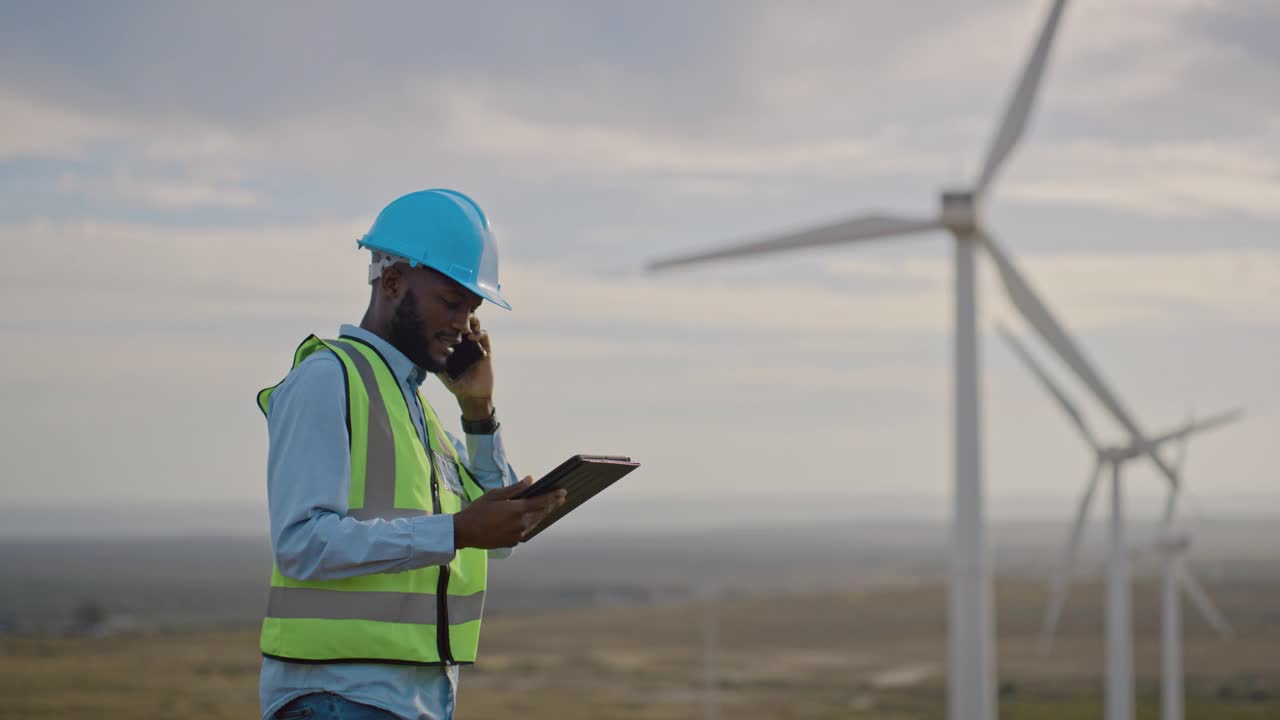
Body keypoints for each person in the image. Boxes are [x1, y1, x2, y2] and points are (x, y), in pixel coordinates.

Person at [256, 189, 565, 720]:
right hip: (340, 698)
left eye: (473, 310)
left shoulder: (416, 406)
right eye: (452, 301)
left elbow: (495, 544)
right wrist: (458, 531)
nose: (464, 326)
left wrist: (478, 411)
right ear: (393, 282)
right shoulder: (327, 379)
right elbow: (301, 543)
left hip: (412, 701)